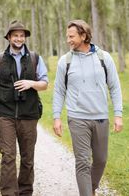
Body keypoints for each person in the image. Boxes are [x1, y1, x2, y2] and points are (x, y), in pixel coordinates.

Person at [52, 20, 123, 196]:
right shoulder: (65, 61)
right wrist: (56, 117)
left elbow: (114, 87)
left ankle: (91, 188)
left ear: (84, 35)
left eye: (72, 36)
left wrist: (118, 114)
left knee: (100, 160)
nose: (68, 40)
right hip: (77, 118)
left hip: (100, 117)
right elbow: (59, 90)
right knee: (82, 162)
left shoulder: (104, 58)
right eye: (67, 36)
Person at [0, 20, 49, 196]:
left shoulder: (35, 58)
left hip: (29, 115)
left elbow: (44, 84)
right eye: (15, 35)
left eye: (22, 35)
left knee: (28, 158)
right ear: (8, 37)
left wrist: (31, 83)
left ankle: (25, 192)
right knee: (8, 156)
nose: (19, 38)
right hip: (5, 114)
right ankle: (8, 193)